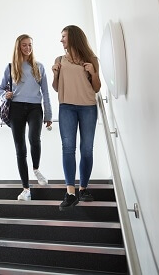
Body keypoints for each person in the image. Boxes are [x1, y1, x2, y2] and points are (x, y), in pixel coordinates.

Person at [0, 34, 52, 201]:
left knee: (34, 138)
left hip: (35, 107)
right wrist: (4, 95)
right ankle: (26, 189)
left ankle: (36, 168)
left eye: (30, 45)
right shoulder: (10, 67)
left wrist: (48, 114)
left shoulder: (39, 67)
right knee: (20, 149)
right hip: (16, 108)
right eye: (24, 45)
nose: (28, 48)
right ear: (18, 47)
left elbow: (46, 92)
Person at [52, 25, 101, 211]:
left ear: (73, 37)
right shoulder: (59, 60)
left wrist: (93, 72)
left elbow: (97, 88)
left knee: (87, 149)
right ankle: (70, 193)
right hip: (66, 108)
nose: (61, 40)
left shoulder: (92, 59)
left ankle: (84, 188)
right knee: (68, 148)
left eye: (63, 36)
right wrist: (55, 73)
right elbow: (56, 87)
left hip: (88, 107)